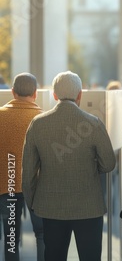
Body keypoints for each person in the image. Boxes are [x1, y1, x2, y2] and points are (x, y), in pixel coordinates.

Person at [22, 71, 116, 260]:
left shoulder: (37, 124)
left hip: (50, 207)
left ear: (54, 95)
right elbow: (109, 164)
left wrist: (33, 203)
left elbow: (28, 171)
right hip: (89, 207)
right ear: (80, 94)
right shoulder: (93, 123)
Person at [0, 73, 45, 260]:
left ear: (12, 92)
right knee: (42, 235)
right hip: (36, 187)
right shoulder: (42, 118)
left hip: (7, 187)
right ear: (35, 93)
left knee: (11, 238)